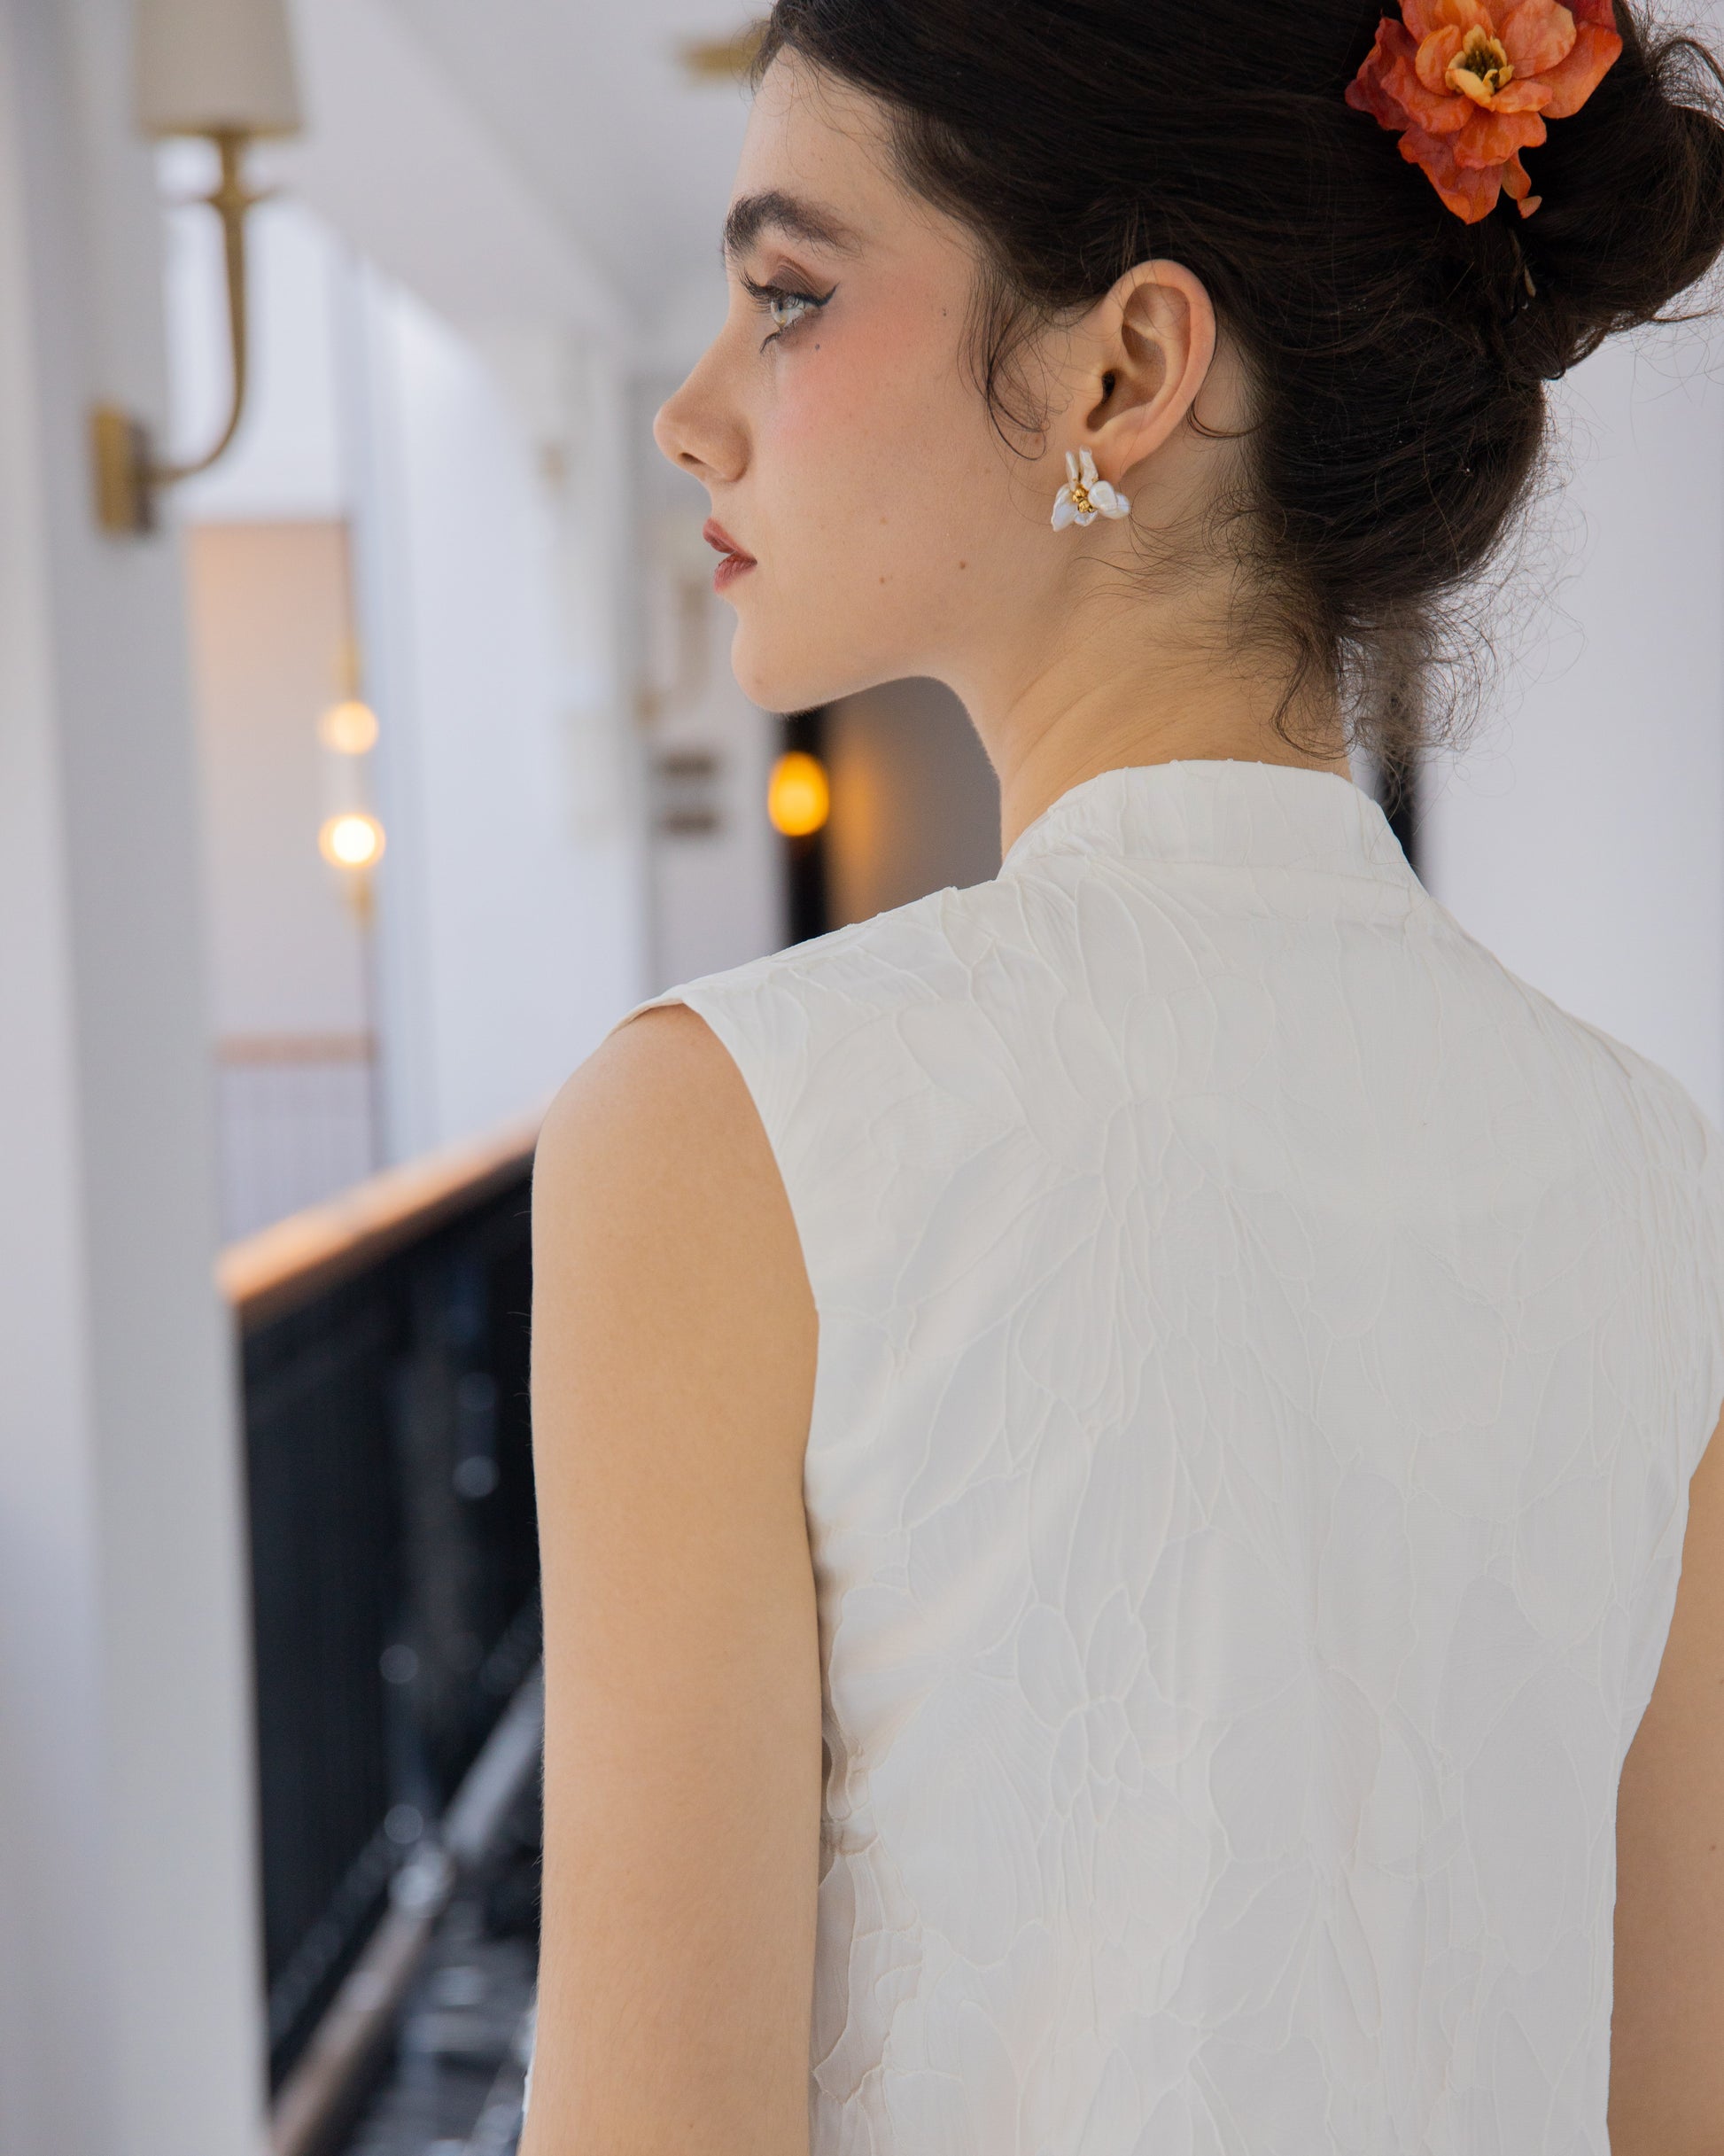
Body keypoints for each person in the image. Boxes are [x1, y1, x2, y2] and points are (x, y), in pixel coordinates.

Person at [522, 1, 1724, 2148]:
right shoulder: (1657, 1178)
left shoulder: (725, 1141)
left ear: (1124, 366)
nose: (693, 416)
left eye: (788, 294)